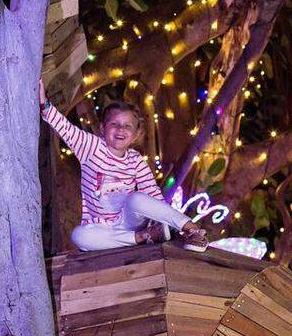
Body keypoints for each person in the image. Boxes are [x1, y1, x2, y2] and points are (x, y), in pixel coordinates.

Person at [39, 81, 208, 253]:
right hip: (101, 228)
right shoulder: (90, 147)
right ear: (102, 128)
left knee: (136, 198)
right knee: (78, 236)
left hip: (129, 222)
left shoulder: (136, 161)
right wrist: (44, 104)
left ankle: (191, 229)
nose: (120, 129)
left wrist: (163, 221)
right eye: (114, 124)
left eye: (127, 126)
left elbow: (153, 195)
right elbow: (65, 128)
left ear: (135, 135)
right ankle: (142, 237)